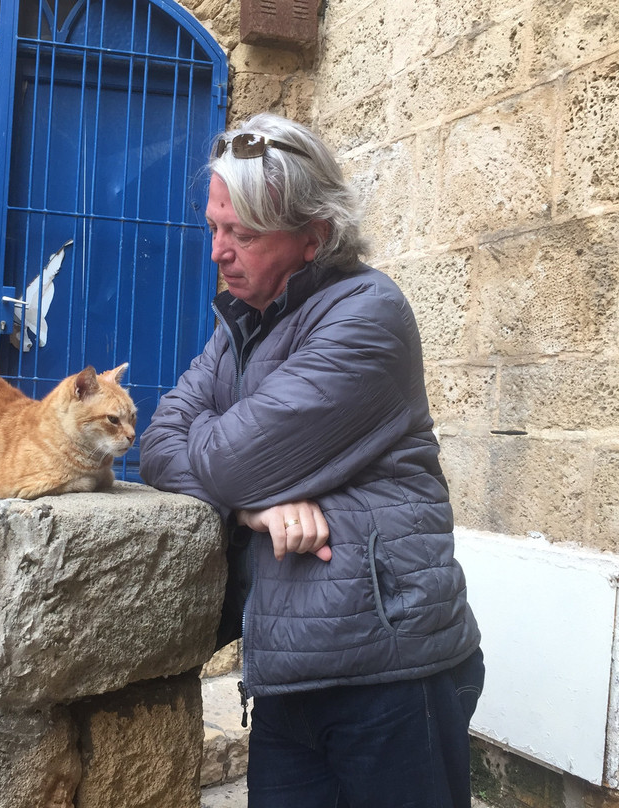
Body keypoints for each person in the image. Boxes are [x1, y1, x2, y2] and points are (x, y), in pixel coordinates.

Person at [139, 112, 484, 808]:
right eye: (214, 227)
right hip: (288, 669)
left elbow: (226, 459)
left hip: (390, 669)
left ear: (313, 237)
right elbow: (156, 444)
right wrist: (254, 505)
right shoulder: (243, 323)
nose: (218, 252)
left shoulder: (366, 315)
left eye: (243, 233)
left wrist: (238, 479)